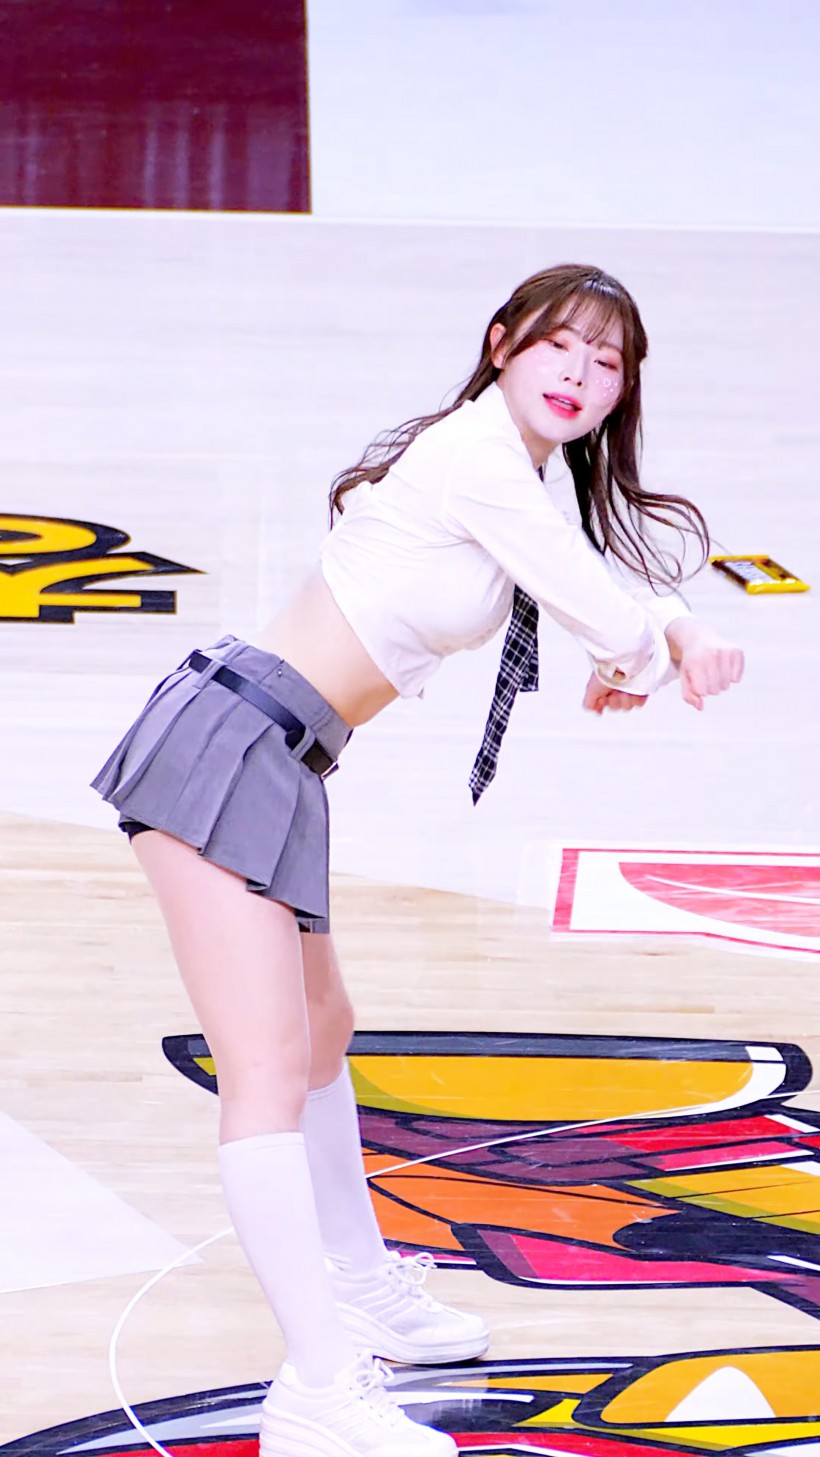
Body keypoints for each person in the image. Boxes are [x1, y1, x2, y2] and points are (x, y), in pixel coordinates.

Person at [92, 263, 743, 1457]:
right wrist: (656, 650)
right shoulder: (475, 457)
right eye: (559, 345)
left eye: (607, 363)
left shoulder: (515, 474)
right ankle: (318, 1389)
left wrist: (671, 629)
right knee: (265, 1068)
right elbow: (596, 606)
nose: (580, 374)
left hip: (280, 753)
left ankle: (359, 1286)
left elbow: (593, 572)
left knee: (320, 1032)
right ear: (501, 345)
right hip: (228, 740)